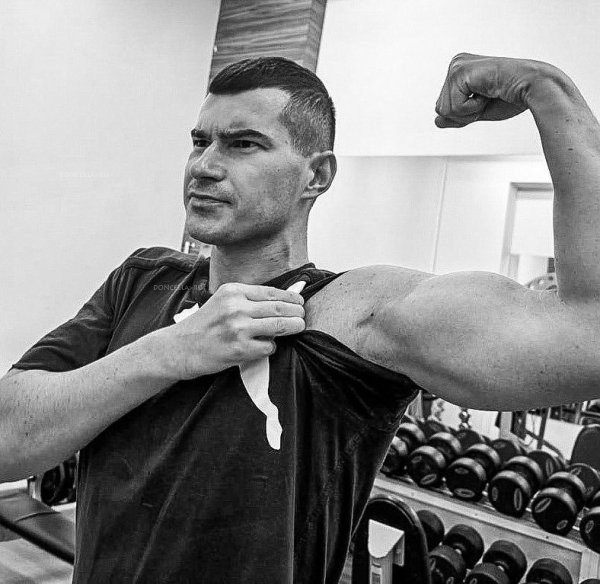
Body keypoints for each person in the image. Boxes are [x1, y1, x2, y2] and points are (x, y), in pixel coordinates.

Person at [2, 52, 600, 583]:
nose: (204, 165)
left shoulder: (351, 315)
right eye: (199, 140)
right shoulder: (142, 280)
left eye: (243, 144)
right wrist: (170, 351)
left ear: (317, 175)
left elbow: (588, 334)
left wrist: (548, 91)